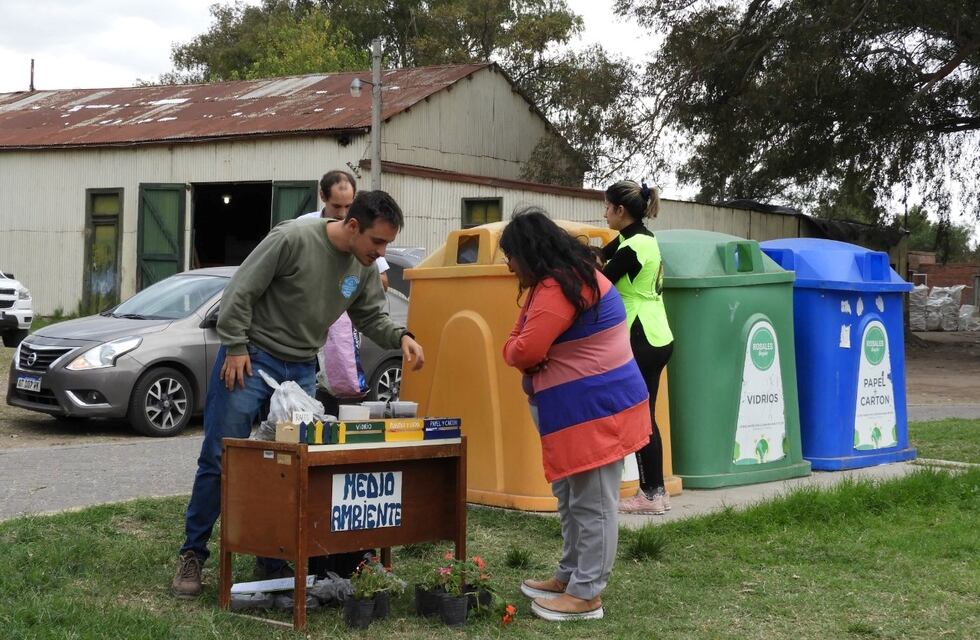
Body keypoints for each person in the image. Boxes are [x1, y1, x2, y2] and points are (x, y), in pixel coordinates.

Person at [171, 190, 425, 598]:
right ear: (353, 225)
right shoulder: (292, 239)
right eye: (377, 242)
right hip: (250, 357)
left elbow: (371, 315)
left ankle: (271, 560)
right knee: (223, 457)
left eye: (387, 245)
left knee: (290, 467)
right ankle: (192, 555)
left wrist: (402, 336)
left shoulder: (361, 269)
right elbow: (241, 290)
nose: (381, 252)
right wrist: (235, 345)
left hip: (303, 367)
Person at [500, 208, 651, 622]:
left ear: (530, 251)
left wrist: (525, 352)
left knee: (593, 503)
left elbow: (522, 350)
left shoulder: (562, 286)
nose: (509, 265)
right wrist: (523, 350)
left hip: (595, 413)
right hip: (577, 413)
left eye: (510, 255)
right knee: (572, 498)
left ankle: (586, 594)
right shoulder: (558, 281)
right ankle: (570, 576)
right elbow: (518, 341)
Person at [601, 180, 675, 515]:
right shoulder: (640, 239)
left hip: (640, 334)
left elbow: (600, 282)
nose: (603, 214)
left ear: (621, 211)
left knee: (639, 416)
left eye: (607, 207)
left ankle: (649, 494)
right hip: (658, 333)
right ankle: (656, 492)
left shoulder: (633, 249)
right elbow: (602, 254)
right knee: (644, 413)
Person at [299, 170, 389, 291]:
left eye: (348, 206)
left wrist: (351, 276)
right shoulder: (303, 226)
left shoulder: (359, 230)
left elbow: (384, 283)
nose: (342, 214)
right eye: (336, 206)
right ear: (322, 196)